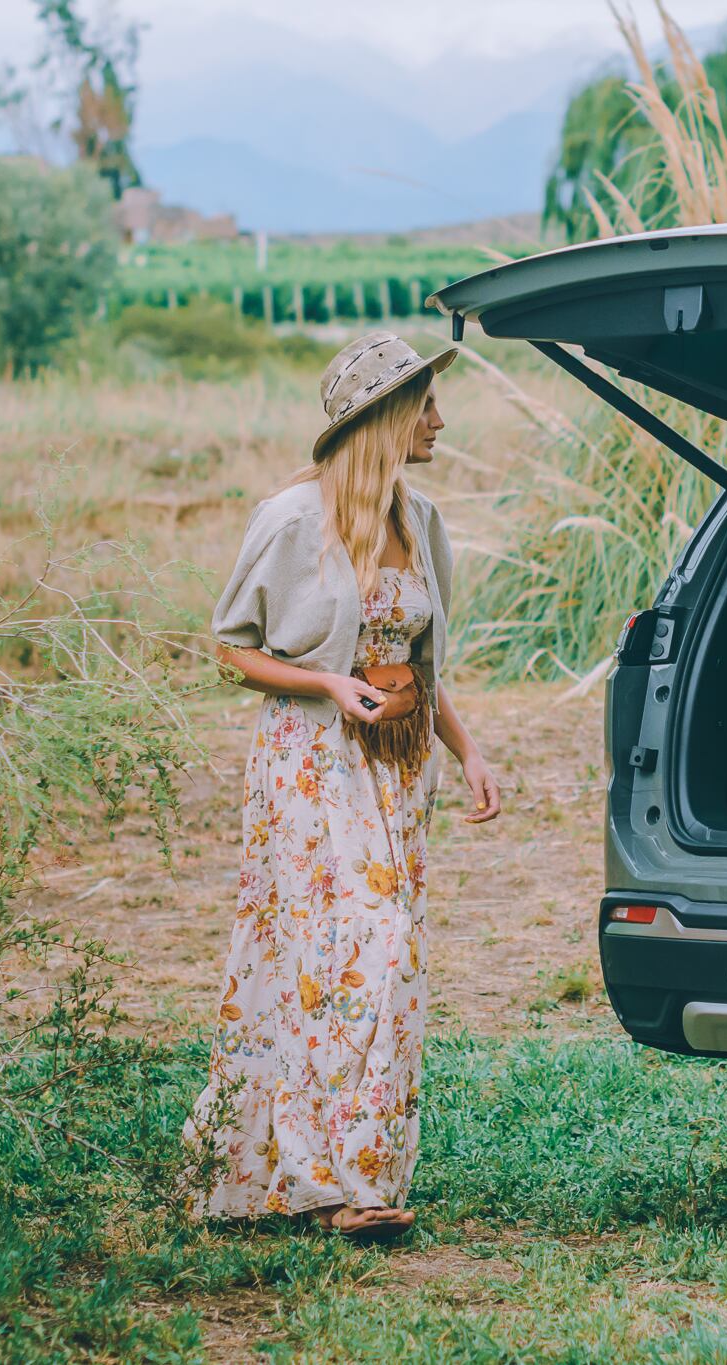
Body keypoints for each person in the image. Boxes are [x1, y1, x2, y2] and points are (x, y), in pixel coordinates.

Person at [183, 331, 501, 1237]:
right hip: (308, 764)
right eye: (426, 405)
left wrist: (467, 748)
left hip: (397, 771)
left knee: (382, 959)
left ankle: (360, 1181)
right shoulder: (289, 520)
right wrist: (325, 681)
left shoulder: (422, 521)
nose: (440, 420)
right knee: (354, 948)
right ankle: (314, 1173)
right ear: (384, 419)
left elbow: (422, 665)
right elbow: (229, 649)